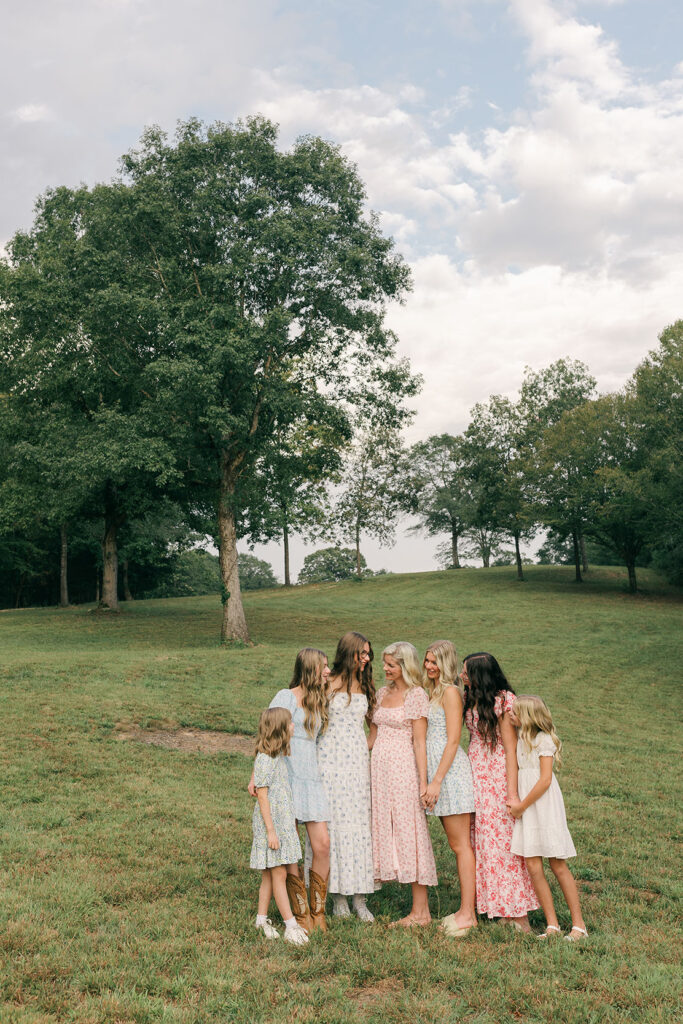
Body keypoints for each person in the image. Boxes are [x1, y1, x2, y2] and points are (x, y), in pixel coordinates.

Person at [249, 648, 331, 932]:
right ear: (310, 669)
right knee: (289, 847)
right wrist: (255, 777)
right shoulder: (286, 697)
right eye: (323, 666)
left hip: (310, 777)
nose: (328, 671)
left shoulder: (320, 699)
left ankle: (318, 910)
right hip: (286, 776)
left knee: (322, 844)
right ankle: (300, 912)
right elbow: (267, 735)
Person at [462, 652, 539, 931]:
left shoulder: (505, 701)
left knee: (503, 844)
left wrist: (511, 793)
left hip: (496, 776)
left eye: (467, 673)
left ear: (480, 675)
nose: (462, 677)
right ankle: (496, 907)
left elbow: (510, 749)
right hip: (475, 775)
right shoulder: (471, 697)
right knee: (483, 842)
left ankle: (518, 914)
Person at [507, 694, 588, 942]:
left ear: (528, 716)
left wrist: (521, 806)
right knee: (533, 864)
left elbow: (544, 780)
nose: (510, 715)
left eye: (515, 712)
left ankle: (579, 925)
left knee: (557, 863)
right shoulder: (521, 738)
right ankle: (552, 924)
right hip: (526, 805)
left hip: (542, 804)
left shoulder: (543, 740)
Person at [309, 631, 377, 921]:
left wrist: (362, 749)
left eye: (368, 654)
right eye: (362, 653)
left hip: (357, 766)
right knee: (333, 825)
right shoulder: (328, 682)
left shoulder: (366, 684)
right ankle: (337, 897)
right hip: (329, 763)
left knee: (359, 825)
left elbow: (373, 728)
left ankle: (360, 897)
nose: (366, 658)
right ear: (348, 652)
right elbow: (311, 721)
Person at [369, 641, 437, 927]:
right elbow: (371, 736)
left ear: (404, 666)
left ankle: (421, 912)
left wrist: (423, 782)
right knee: (385, 827)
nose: (384, 668)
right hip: (378, 771)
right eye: (384, 663)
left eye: (391, 665)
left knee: (410, 830)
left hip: (404, 770)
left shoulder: (416, 695)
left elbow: (419, 741)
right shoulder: (382, 693)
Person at [421, 640, 477, 937]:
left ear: (446, 663)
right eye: (427, 660)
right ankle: (466, 909)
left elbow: (454, 741)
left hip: (450, 775)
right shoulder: (433, 691)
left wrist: (437, 781)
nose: (429, 666)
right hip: (436, 774)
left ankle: (468, 914)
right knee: (458, 845)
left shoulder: (452, 692)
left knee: (460, 847)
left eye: (434, 662)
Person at [250, 707, 309, 945]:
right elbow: (262, 796)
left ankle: (261, 919)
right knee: (279, 873)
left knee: (269, 874)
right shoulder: (265, 759)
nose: (294, 726)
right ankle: (290, 925)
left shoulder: (277, 756)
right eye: (290, 724)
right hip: (271, 824)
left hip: (281, 821)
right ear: (280, 729)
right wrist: (271, 831)